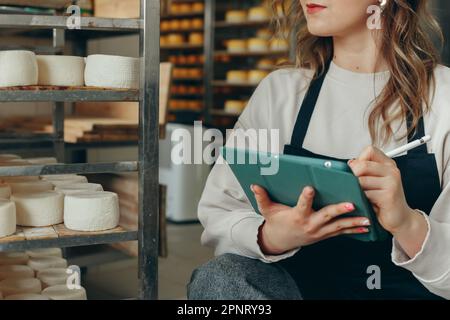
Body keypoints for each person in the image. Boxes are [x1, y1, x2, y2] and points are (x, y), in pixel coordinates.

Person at [188, 0, 450, 300]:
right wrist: (272, 236)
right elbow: (220, 214)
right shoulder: (280, 95)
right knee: (219, 277)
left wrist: (407, 223)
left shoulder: (444, 98)